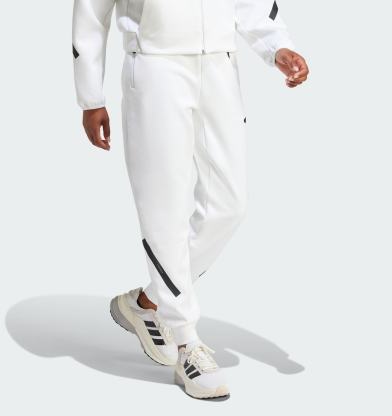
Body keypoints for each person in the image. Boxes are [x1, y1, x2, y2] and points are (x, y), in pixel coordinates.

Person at [72, 0, 309, 399]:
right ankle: (186, 342)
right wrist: (90, 96)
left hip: (220, 66)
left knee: (229, 204)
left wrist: (277, 46)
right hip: (155, 68)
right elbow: (91, 11)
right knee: (162, 207)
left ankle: (148, 302)